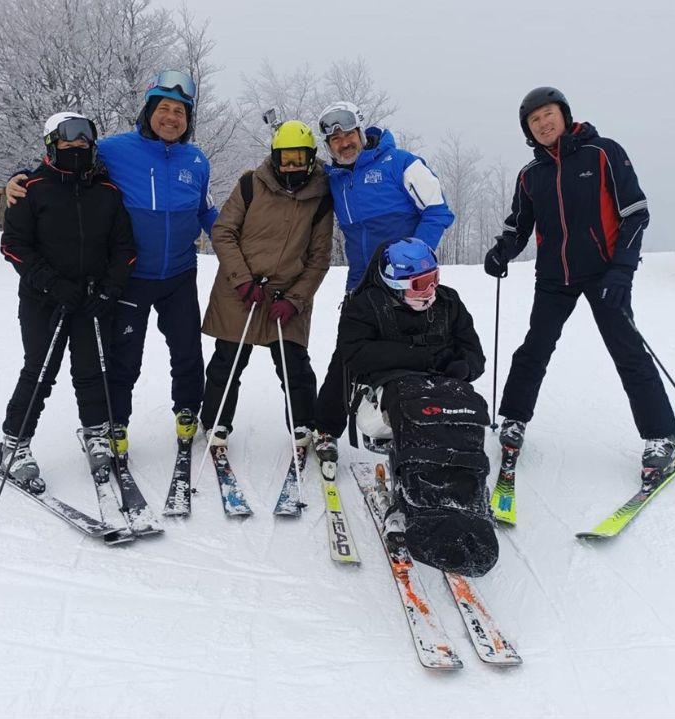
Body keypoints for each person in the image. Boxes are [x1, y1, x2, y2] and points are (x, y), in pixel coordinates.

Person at [6, 71, 217, 460]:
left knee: (187, 350)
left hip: (179, 274)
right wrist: (17, 179)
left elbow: (205, 209)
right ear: (148, 112)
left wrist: (232, 241)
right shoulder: (116, 149)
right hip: (132, 279)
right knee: (123, 356)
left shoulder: (196, 159)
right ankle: (115, 423)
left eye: (180, 112)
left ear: (188, 120)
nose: (171, 117)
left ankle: (187, 410)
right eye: (164, 109)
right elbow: (63, 162)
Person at [483, 87, 675, 482]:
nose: (543, 123)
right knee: (533, 350)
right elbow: (518, 224)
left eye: (548, 114)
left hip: (605, 273)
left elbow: (636, 213)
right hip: (555, 277)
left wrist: (622, 270)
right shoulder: (531, 175)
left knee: (627, 351)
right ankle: (513, 420)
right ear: (529, 130)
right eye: (534, 120)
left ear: (564, 114)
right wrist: (501, 251)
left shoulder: (602, 153)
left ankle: (663, 436)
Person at [308, 101, 455, 468]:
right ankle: (326, 429)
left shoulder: (402, 164)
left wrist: (416, 257)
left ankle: (427, 423)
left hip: (409, 282)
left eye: (348, 134)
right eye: (334, 139)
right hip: (361, 285)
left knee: (421, 351)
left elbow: (438, 210)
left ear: (361, 130)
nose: (343, 143)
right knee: (347, 356)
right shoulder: (335, 179)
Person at [0, 112, 137, 493]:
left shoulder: (107, 191)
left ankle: (95, 431)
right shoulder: (32, 189)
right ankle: (14, 443)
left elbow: (123, 246)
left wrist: (109, 288)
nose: (76, 147)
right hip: (46, 299)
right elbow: (13, 246)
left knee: (92, 370)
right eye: (67, 141)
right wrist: (53, 285)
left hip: (92, 298)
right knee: (40, 371)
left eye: (83, 141)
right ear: (51, 144)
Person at [337, 238, 496, 576]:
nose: (431, 291)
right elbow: (355, 355)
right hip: (383, 395)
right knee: (418, 411)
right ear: (396, 284)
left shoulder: (449, 303)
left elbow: (474, 354)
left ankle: (468, 497)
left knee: (465, 408)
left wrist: (462, 369)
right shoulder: (366, 306)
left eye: (434, 279)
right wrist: (422, 359)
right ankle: (418, 499)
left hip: (442, 385)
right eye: (421, 284)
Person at [198, 121, 333, 445]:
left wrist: (295, 299)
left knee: (293, 364)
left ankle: (304, 425)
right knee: (227, 362)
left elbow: (319, 259)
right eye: (285, 159)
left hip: (286, 294)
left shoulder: (320, 197)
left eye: (299, 159)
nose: (291, 167)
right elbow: (223, 232)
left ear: (311, 158)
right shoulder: (250, 184)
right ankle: (215, 423)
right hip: (240, 290)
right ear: (274, 158)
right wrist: (243, 282)